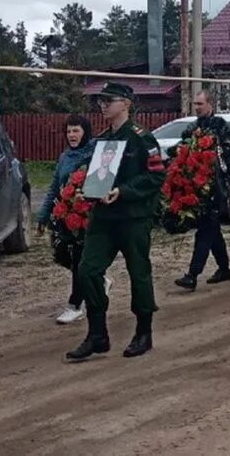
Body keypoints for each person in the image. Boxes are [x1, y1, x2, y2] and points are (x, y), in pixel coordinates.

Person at [66, 82, 166, 361]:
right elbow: (97, 175)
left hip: (133, 218)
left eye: (109, 100)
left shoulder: (141, 138)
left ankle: (143, 332)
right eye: (101, 101)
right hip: (104, 217)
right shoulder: (102, 140)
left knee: (139, 273)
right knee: (87, 270)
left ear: (126, 103)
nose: (103, 105)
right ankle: (97, 334)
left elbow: (157, 175)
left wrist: (123, 191)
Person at [173, 90, 230, 291]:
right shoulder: (192, 128)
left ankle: (192, 274)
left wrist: (217, 163)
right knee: (212, 230)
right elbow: (183, 149)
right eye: (195, 104)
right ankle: (224, 269)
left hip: (217, 187)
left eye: (200, 103)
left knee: (205, 229)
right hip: (197, 186)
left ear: (210, 104)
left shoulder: (221, 127)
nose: (197, 107)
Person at [38, 114, 97, 325]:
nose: (72, 135)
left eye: (76, 130)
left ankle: (75, 305)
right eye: (69, 131)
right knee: (65, 257)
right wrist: (43, 215)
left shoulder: (94, 153)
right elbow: (55, 186)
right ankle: (97, 279)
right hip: (66, 216)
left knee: (80, 260)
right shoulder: (65, 157)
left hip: (88, 216)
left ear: (85, 131)